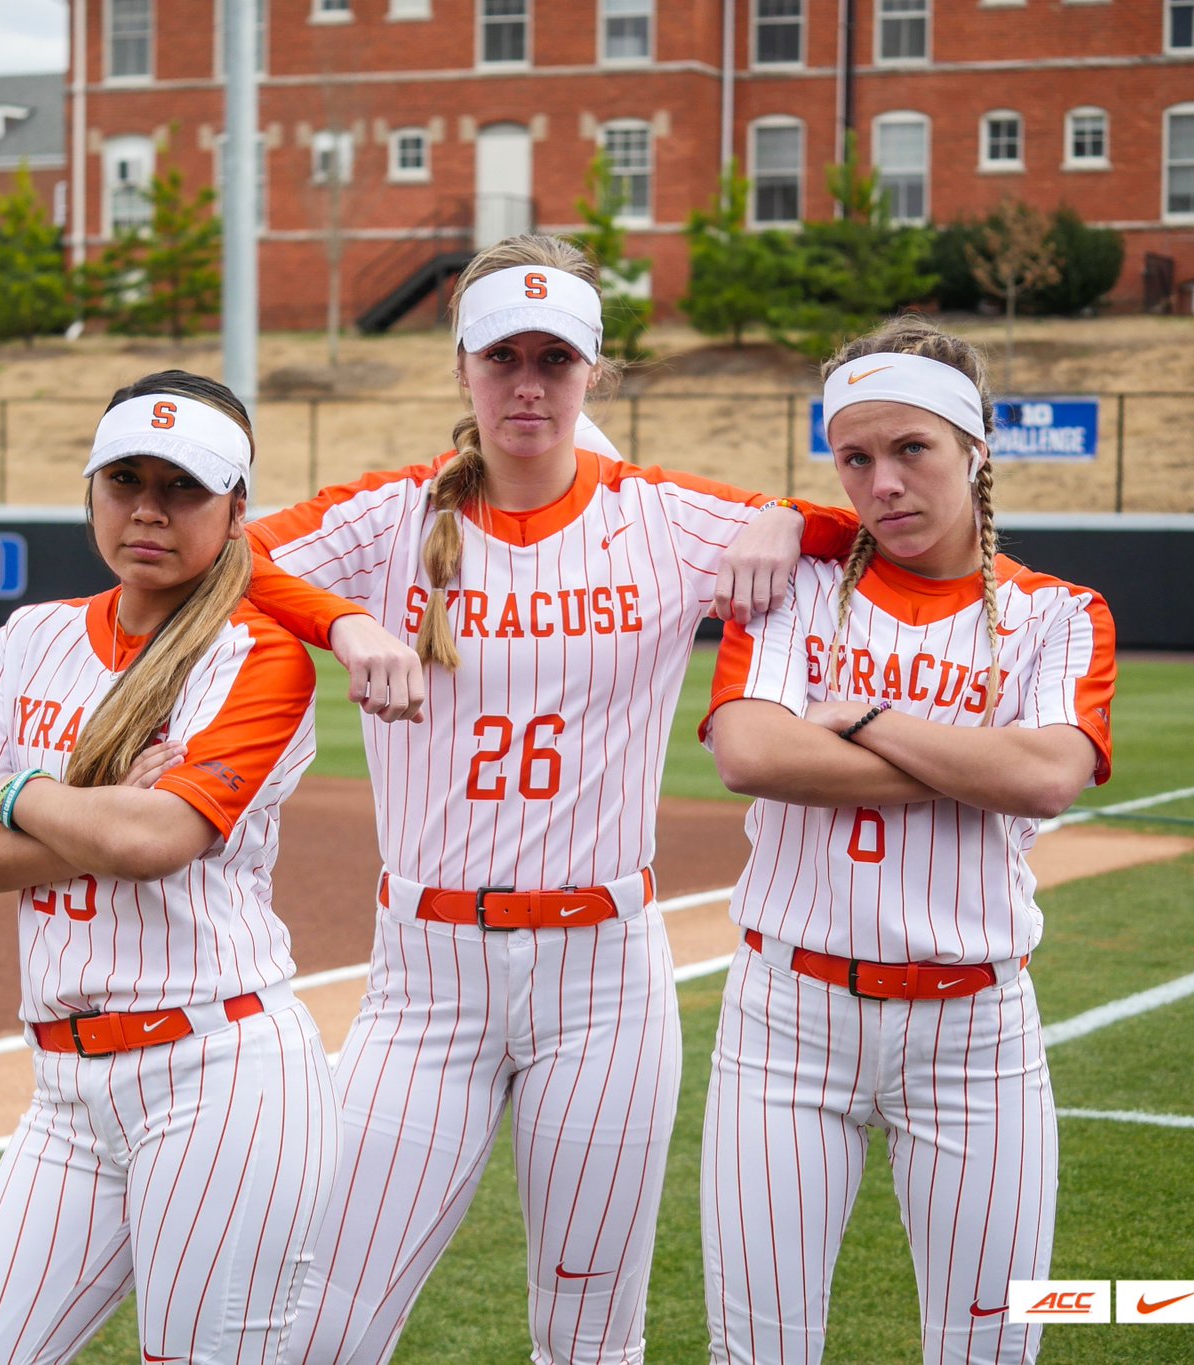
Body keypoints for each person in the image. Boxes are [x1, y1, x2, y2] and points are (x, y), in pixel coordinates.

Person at [247, 234, 862, 1365]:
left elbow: (861, 530)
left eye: (554, 360)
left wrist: (787, 515)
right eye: (501, 359)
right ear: (461, 369)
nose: (526, 386)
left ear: (593, 370)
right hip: (424, 976)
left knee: (587, 1339)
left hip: (605, 981)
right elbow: (215, 554)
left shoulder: (661, 517)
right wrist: (344, 618)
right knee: (321, 1325)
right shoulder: (388, 520)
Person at [696, 317, 1116, 1365]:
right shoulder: (791, 587)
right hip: (786, 1020)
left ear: (976, 450)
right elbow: (751, 754)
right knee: (758, 1349)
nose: (881, 482)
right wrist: (969, 762)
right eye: (854, 457)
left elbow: (1047, 775)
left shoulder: (1058, 615)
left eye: (911, 449)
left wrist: (863, 721)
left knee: (987, 1347)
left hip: (973, 1030)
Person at [0, 371, 339, 1365]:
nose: (146, 509)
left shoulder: (256, 656)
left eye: (182, 487)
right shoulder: (34, 635)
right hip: (64, 1092)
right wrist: (88, 795)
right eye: (124, 480)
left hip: (218, 1078)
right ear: (91, 489)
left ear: (236, 509)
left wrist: (20, 791)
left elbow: (153, 844)